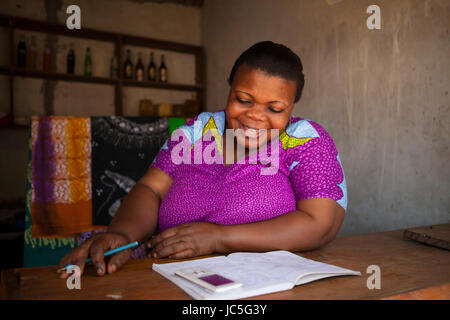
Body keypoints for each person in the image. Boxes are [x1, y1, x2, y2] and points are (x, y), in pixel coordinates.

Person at [58, 41, 347, 279]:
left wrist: (218, 238)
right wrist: (122, 233)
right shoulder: (198, 131)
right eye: (244, 99)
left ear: (292, 106)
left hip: (269, 284)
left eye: (274, 108)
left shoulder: (304, 139)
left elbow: (320, 224)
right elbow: (151, 188)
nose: (255, 116)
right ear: (230, 88)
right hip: (168, 276)